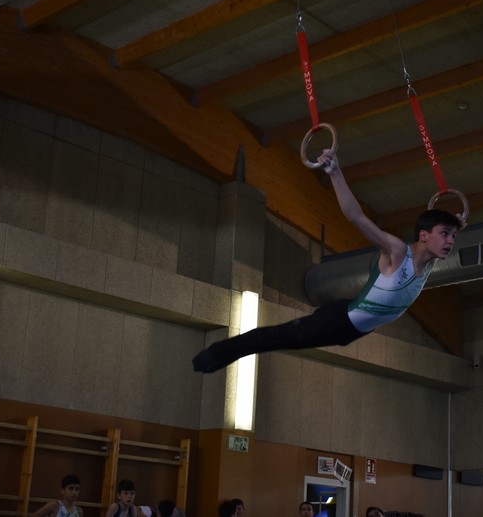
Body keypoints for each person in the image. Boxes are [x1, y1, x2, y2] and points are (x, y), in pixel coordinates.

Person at [192, 149, 465, 373]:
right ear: (423, 235)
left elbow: (452, 228)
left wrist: (453, 223)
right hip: (337, 321)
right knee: (275, 338)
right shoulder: (397, 252)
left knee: (279, 339)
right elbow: (356, 217)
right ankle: (216, 354)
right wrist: (335, 172)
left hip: (350, 330)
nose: (451, 241)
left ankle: (220, 354)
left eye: (452, 236)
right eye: (445, 234)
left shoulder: (431, 260)